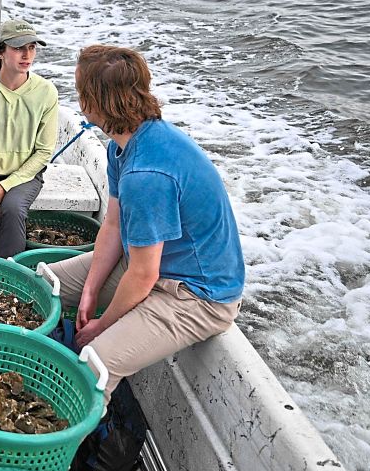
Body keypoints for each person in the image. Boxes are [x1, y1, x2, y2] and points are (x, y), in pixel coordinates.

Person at [49, 45, 244, 399]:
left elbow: (142, 275)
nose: (78, 100)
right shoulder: (122, 145)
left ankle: (58, 447)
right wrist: (90, 291)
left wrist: (100, 327)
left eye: (80, 92)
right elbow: (112, 225)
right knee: (43, 284)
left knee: (95, 364)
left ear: (96, 101)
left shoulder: (146, 174)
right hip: (150, 266)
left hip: (196, 296)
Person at [0, 19, 57, 258]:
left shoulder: (46, 92)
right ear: (0, 52)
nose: (26, 54)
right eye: (18, 47)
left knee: (13, 209)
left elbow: (43, 152)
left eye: (31, 47)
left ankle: (8, 275)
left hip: (25, 174)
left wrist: (4, 186)